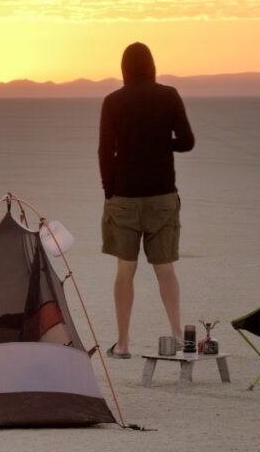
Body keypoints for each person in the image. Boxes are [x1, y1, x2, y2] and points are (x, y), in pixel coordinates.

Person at [98, 42, 194, 358]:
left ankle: (123, 344)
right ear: (152, 65)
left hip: (124, 196)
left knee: (125, 270)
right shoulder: (169, 96)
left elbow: (104, 151)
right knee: (165, 269)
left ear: (124, 68)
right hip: (162, 195)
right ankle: (179, 336)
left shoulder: (113, 101)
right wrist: (160, 142)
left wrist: (109, 190)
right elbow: (187, 142)